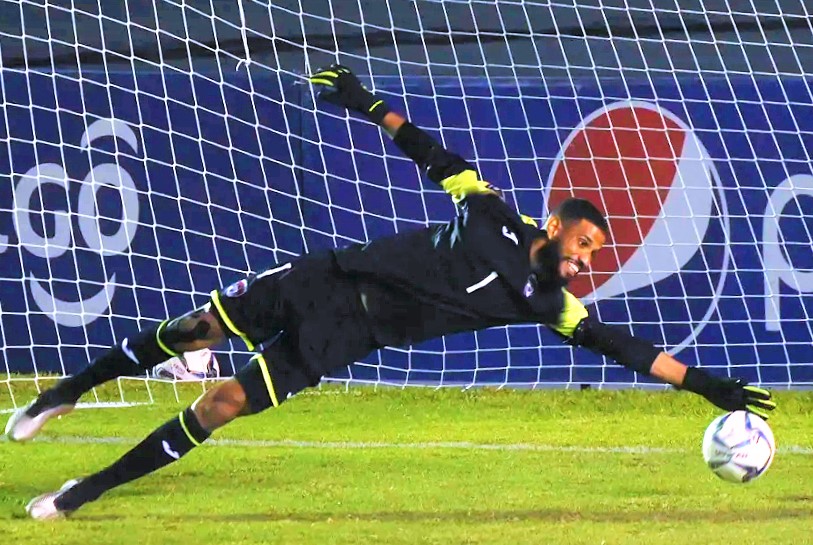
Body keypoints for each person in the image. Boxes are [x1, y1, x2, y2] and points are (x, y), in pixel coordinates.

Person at [7, 65, 776, 520]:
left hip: (343, 339)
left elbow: (625, 348)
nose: (583, 263)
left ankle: (84, 491)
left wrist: (708, 386)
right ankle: (62, 394)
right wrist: (365, 100)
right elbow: (433, 155)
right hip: (324, 278)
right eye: (581, 246)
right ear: (555, 224)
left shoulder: (548, 304)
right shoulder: (488, 210)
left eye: (592, 258)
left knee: (224, 405)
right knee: (193, 328)